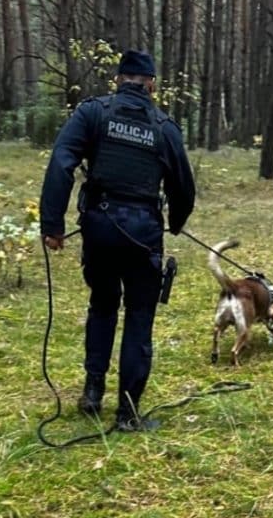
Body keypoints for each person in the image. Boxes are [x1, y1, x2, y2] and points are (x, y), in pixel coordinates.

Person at [40, 50, 195, 432]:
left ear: (119, 79)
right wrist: (175, 223)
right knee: (139, 318)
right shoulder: (164, 127)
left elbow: (62, 160)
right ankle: (127, 412)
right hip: (143, 233)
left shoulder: (93, 113)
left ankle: (93, 390)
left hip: (100, 228)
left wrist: (53, 225)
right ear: (151, 85)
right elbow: (183, 187)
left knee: (102, 305)